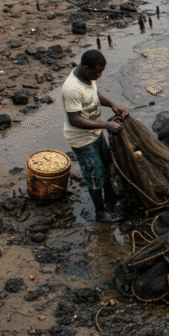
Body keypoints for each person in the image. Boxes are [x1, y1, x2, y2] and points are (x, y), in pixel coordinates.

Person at [62, 50, 128, 223]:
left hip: (95, 133)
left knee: (106, 163)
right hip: (82, 139)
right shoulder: (72, 89)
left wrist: (111, 104)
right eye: (97, 72)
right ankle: (100, 213)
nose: (99, 75)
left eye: (101, 71)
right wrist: (106, 125)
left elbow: (93, 94)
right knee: (94, 174)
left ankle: (110, 197)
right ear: (85, 68)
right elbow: (74, 119)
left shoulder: (87, 78)